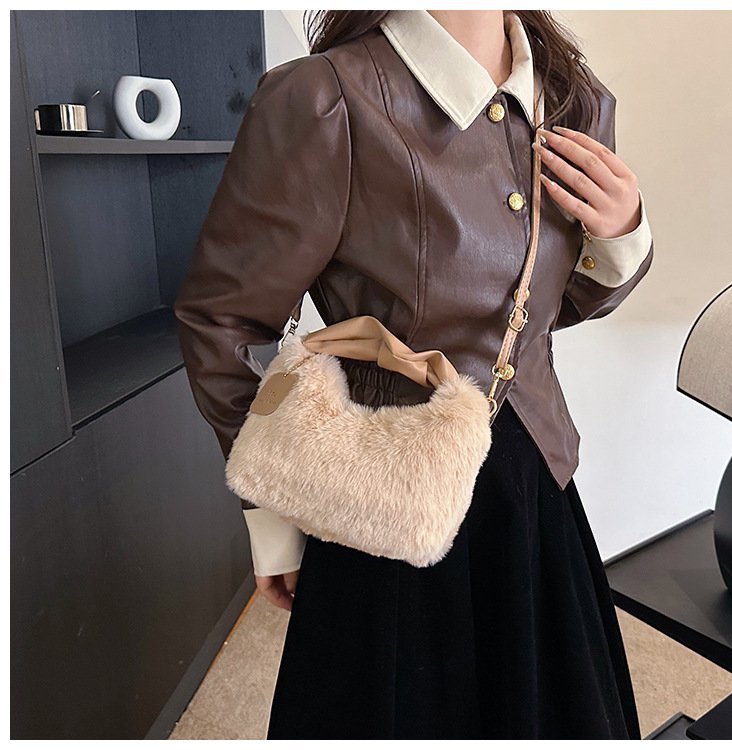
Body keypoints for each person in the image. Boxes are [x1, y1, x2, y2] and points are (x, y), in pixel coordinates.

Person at [174, 9, 654, 740]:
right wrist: (275, 510)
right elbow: (224, 319)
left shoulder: (573, 100)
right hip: (382, 493)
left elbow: (551, 308)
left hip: (531, 489)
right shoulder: (326, 99)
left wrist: (623, 234)